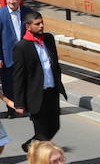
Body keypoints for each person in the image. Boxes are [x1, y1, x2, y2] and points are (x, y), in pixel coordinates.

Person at [11, 9, 66, 150]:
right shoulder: (21, 47)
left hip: (52, 91)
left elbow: (54, 63)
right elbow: (18, 76)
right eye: (37, 24)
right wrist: (19, 103)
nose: (41, 26)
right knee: (41, 131)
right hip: (36, 95)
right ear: (28, 27)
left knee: (55, 126)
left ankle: (30, 146)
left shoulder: (48, 39)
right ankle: (41, 160)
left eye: (42, 23)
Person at [0, 0, 26, 102]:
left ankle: (24, 106)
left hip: (24, 56)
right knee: (8, 84)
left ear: (20, 0)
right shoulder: (0, 14)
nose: (12, 2)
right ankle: (11, 109)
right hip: (7, 58)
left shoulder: (27, 12)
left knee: (25, 82)